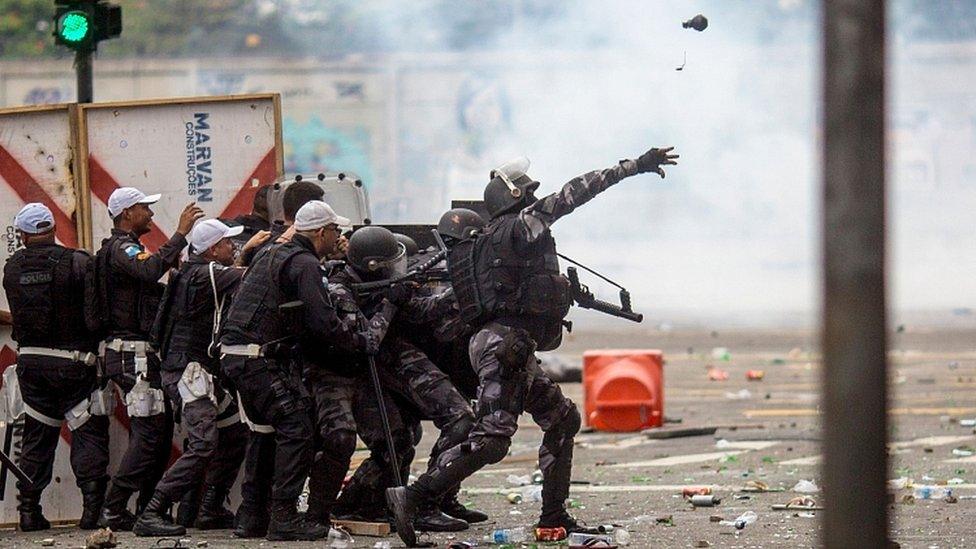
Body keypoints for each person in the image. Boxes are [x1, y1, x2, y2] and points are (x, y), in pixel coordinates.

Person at [388, 148, 679, 546]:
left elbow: (469, 302)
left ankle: (554, 516)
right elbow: (574, 193)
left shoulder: (484, 247)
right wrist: (632, 167)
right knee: (493, 438)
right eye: (525, 194)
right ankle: (415, 496)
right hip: (505, 346)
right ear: (513, 200)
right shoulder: (520, 227)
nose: (532, 200)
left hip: (508, 345)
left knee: (562, 420)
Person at [220, 200, 397, 541]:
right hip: (259, 358)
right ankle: (283, 517)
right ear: (320, 233)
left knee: (265, 431)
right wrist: (361, 341)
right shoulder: (304, 263)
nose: (339, 236)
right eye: (335, 230)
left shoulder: (273, 252)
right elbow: (324, 324)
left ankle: (252, 515)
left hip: (238, 355)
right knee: (298, 428)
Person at [321, 227, 482, 532]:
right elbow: (368, 340)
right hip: (365, 368)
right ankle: (406, 502)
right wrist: (390, 302)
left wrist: (460, 290)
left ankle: (397, 503)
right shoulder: (341, 289)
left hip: (388, 360)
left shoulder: (376, 282)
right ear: (372, 265)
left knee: (401, 442)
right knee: (398, 443)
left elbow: (422, 312)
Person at [132, 220, 268, 537]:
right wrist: (270, 248)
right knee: (204, 444)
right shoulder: (207, 274)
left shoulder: (192, 272)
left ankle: (209, 508)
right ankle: (152, 512)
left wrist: (245, 252)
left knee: (234, 435)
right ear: (212, 249)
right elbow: (252, 279)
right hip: (190, 375)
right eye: (227, 243)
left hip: (195, 372)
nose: (232, 247)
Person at [93, 188, 203, 530]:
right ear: (127, 213)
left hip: (140, 355)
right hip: (132, 357)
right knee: (151, 434)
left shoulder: (129, 249)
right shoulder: (121, 249)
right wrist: (181, 234)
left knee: (157, 430)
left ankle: (143, 508)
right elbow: (151, 269)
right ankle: (113, 508)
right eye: (145, 208)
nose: (151, 215)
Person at [1, 203, 110, 531]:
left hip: (31, 364)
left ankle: (29, 513)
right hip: (74, 362)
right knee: (87, 431)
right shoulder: (76, 261)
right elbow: (95, 315)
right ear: (52, 229)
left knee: (37, 436)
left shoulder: (12, 268)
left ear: (22, 235)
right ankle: (92, 512)